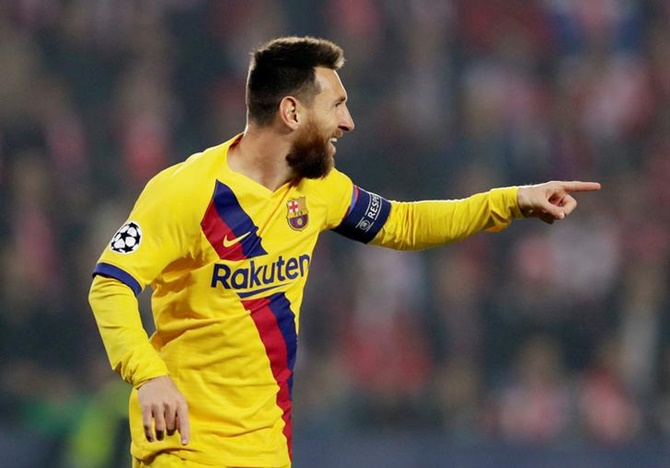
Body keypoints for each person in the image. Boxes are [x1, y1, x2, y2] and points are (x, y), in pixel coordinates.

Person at [88, 36, 601, 468]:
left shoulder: (320, 189)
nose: (348, 122)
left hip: (267, 448)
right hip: (185, 447)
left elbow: (405, 222)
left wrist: (509, 201)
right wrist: (149, 375)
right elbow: (110, 284)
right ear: (291, 111)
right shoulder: (184, 193)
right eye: (336, 105)